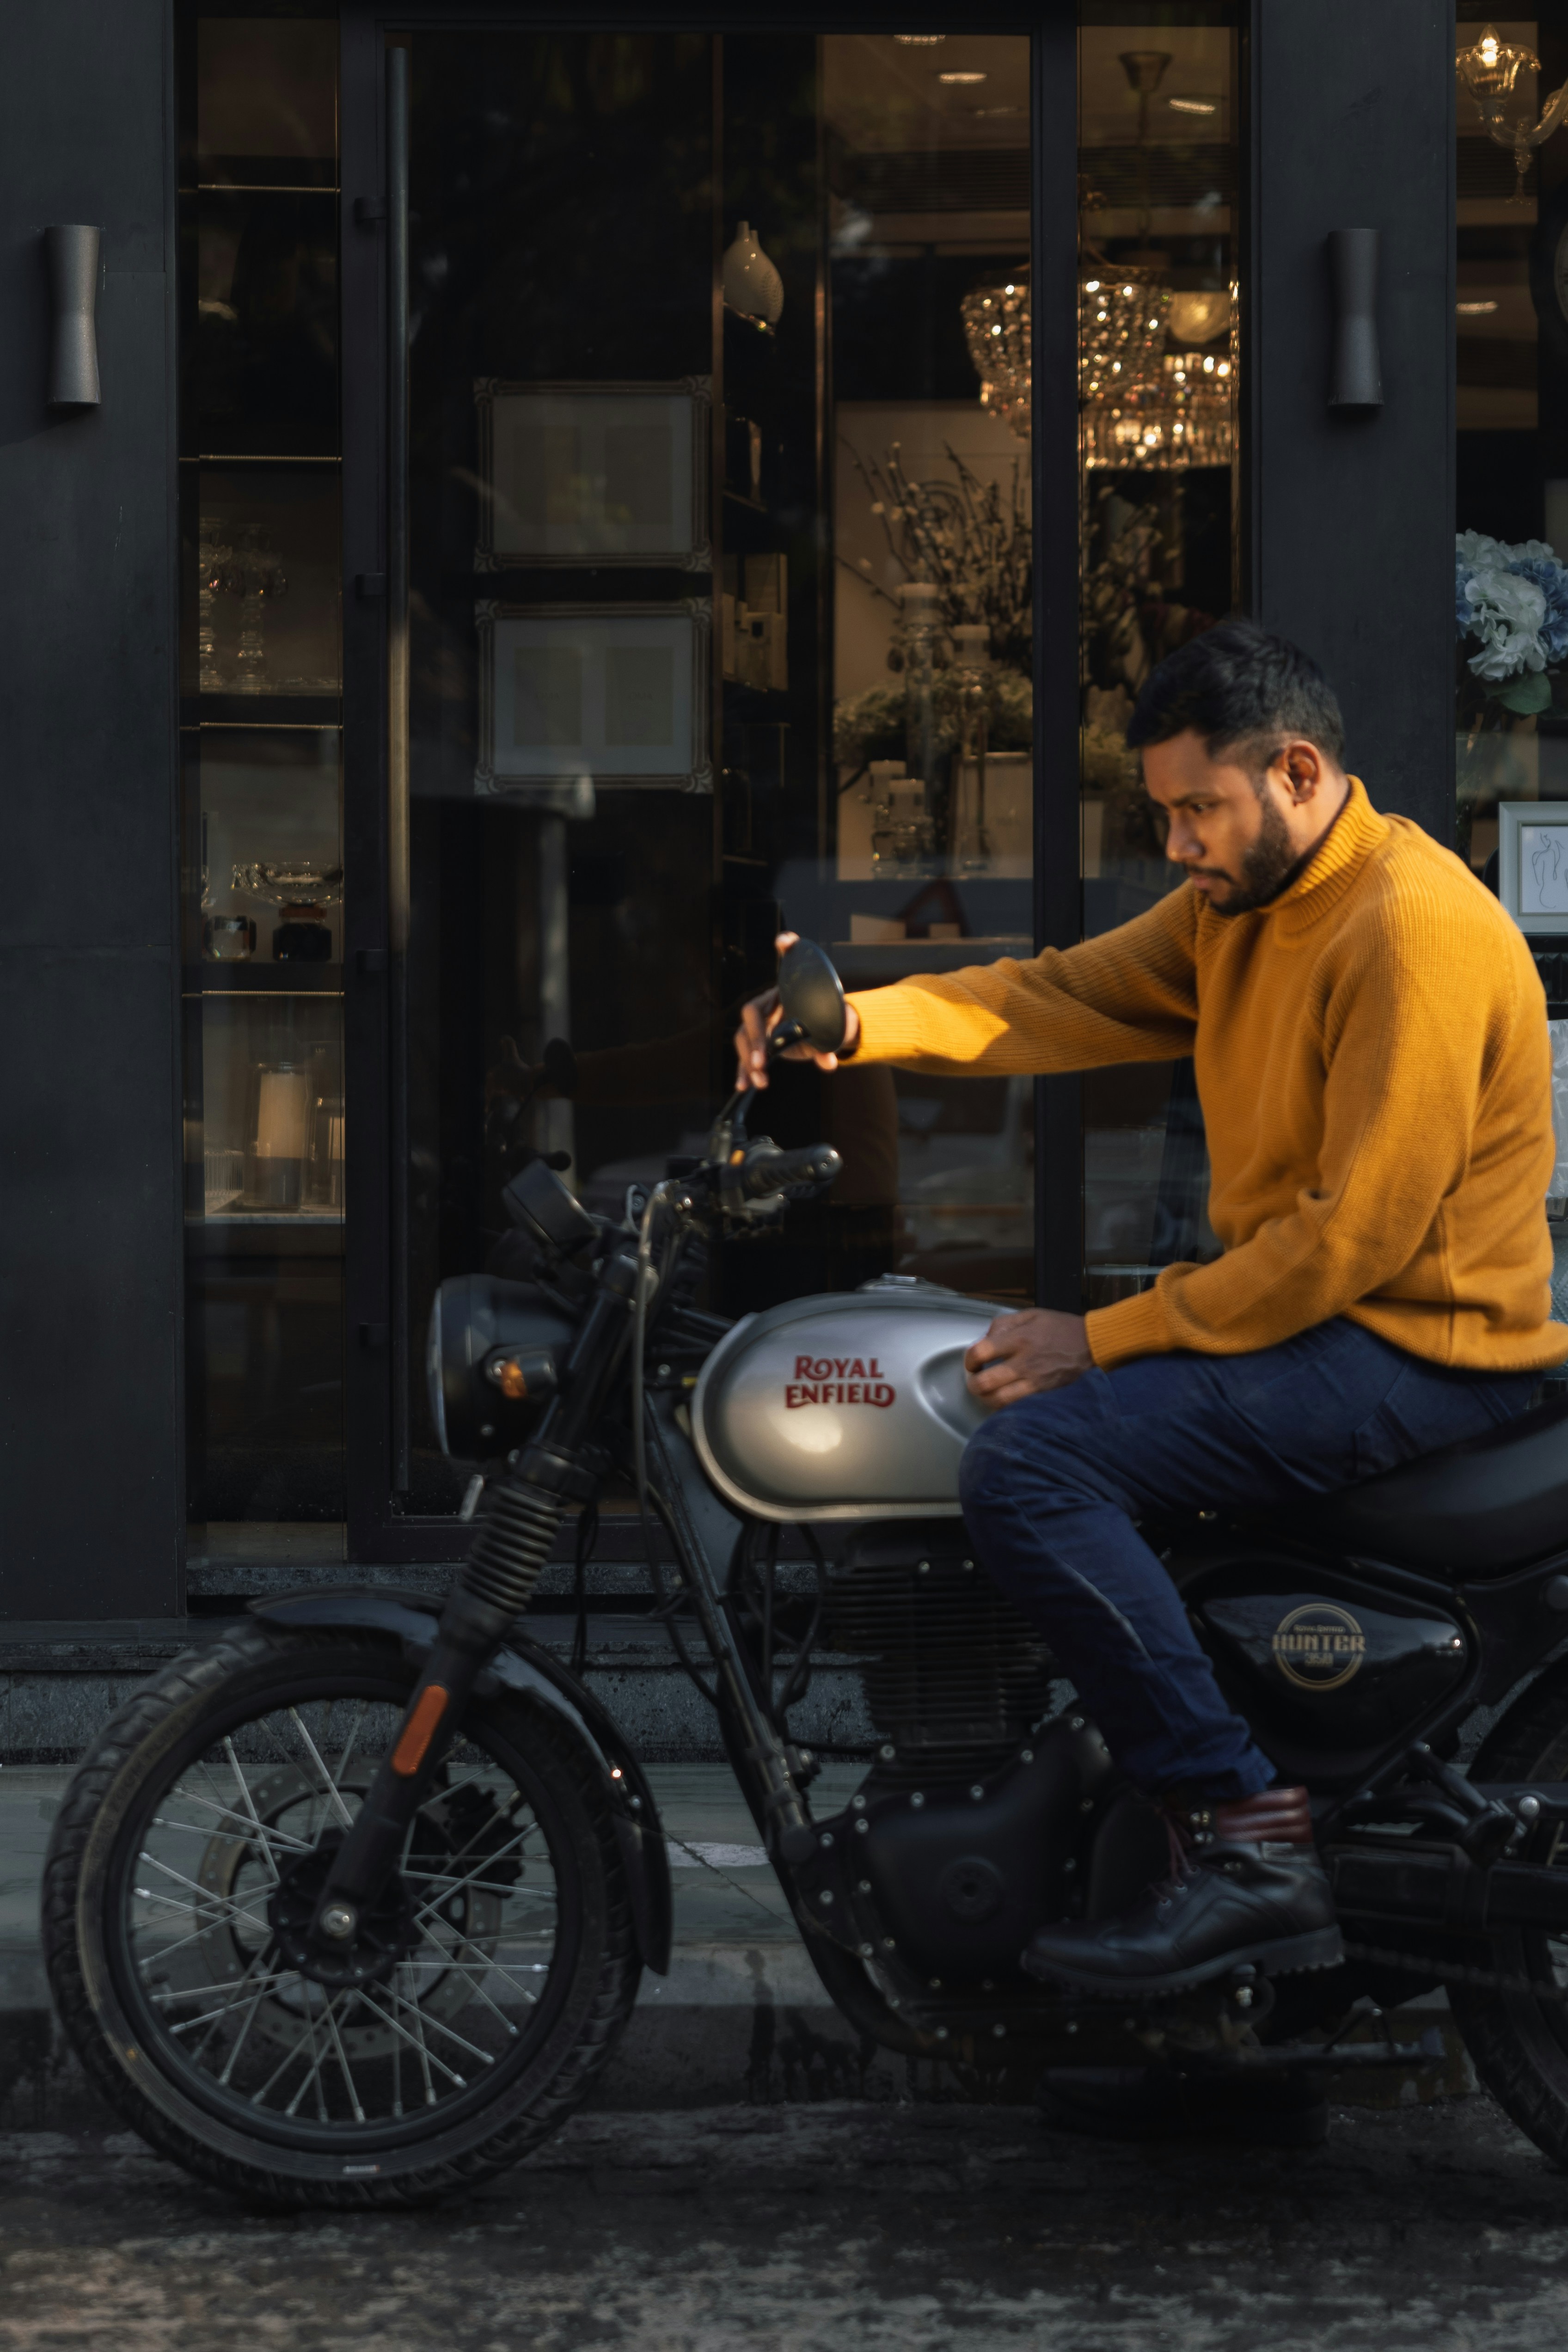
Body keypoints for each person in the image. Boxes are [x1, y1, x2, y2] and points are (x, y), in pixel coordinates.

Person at [736, 619, 1566, 2139]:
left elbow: (1346, 1245)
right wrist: (857, 1028)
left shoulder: (1411, 930)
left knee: (1035, 1462)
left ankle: (1251, 1843)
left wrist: (1099, 1334)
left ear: (1298, 774)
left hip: (1414, 1353)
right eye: (1166, 815)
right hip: (1329, 1331)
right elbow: (1054, 998)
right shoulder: (1245, 908)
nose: (1176, 845)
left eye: (1198, 811)